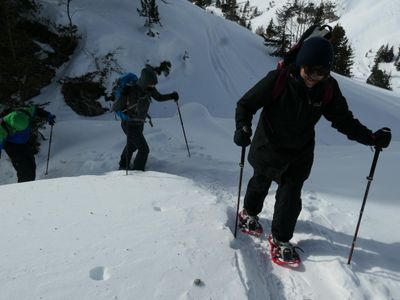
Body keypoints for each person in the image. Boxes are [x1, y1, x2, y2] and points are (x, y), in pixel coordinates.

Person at [233, 37, 392, 262]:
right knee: (260, 182)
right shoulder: (278, 80)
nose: (315, 77)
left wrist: (370, 138)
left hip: (299, 153)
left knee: (290, 196)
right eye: (310, 70)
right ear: (300, 64)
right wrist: (243, 127)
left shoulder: (327, 88)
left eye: (322, 72)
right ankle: (249, 213)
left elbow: (343, 119)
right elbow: (246, 104)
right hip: (268, 146)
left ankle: (280, 239)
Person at [112, 66, 179, 171]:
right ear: (145, 81)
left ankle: (123, 164)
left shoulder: (149, 89)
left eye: (154, 84)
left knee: (132, 145)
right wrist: (123, 95)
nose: (153, 86)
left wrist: (171, 96)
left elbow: (159, 97)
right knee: (144, 149)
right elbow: (115, 107)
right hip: (128, 124)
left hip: (140, 123)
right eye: (151, 83)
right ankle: (138, 172)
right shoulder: (131, 90)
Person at [0, 105, 56, 183]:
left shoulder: (24, 113)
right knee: (24, 170)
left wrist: (48, 115)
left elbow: (36, 110)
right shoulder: (1, 129)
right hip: (12, 146)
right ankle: (23, 190)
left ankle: (29, 186)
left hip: (24, 143)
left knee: (32, 165)